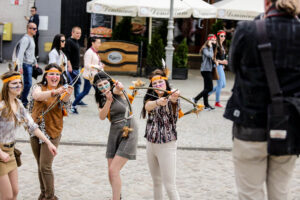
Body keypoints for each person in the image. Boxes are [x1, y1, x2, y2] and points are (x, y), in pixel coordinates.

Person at [224, 0, 300, 199]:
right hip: (289, 126)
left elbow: (232, 65)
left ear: (267, 3)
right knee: (281, 192)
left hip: (250, 124)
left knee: (250, 194)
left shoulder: (248, 30)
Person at [0, 71, 57, 200]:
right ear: (6, 86)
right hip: (0, 152)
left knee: (14, 192)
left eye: (20, 82)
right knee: (7, 195)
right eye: (14, 83)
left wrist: (48, 143)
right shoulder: (2, 106)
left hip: (10, 152)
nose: (19, 85)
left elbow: (32, 126)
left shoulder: (18, 104)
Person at [30, 64, 73, 200]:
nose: (54, 77)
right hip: (35, 130)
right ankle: (43, 194)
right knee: (40, 165)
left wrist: (66, 94)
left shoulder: (63, 90)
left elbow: (66, 104)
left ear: (60, 77)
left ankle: (50, 196)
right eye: (51, 74)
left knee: (45, 166)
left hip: (53, 131)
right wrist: (54, 92)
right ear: (46, 76)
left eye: (57, 75)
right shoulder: (37, 86)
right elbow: (37, 96)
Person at [93, 71, 138, 200]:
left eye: (105, 83)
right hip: (114, 130)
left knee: (114, 170)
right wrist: (108, 101)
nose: (103, 87)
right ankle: (118, 196)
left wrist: (119, 86)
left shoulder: (116, 91)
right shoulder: (100, 98)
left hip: (128, 128)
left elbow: (119, 89)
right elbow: (102, 116)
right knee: (110, 171)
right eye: (99, 85)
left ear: (110, 82)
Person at [142, 69, 181, 200]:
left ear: (165, 82)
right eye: (155, 83)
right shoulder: (150, 98)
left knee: (170, 185)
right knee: (156, 182)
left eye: (161, 82)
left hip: (167, 145)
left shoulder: (172, 97)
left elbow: (174, 107)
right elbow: (148, 106)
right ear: (152, 86)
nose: (158, 85)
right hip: (150, 143)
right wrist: (158, 102)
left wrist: (173, 99)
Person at [71, 37, 103, 114]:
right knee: (86, 91)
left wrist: (100, 65)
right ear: (93, 43)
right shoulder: (89, 52)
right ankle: (73, 105)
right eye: (98, 42)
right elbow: (87, 65)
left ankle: (102, 108)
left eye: (100, 42)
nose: (100, 44)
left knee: (99, 92)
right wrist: (99, 67)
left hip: (94, 76)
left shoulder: (95, 52)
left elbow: (96, 62)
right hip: (89, 76)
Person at [14, 22, 39, 107]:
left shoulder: (32, 38)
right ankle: (22, 100)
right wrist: (20, 66)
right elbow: (21, 53)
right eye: (34, 29)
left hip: (30, 64)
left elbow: (31, 52)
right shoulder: (25, 39)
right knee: (28, 83)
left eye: (36, 28)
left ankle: (22, 99)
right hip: (25, 64)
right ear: (29, 29)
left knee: (27, 83)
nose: (36, 30)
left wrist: (35, 62)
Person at [191, 34, 217, 110]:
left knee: (206, 88)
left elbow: (213, 58)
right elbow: (210, 56)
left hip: (208, 70)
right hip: (205, 70)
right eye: (212, 40)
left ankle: (206, 105)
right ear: (208, 40)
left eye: (214, 40)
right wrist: (211, 47)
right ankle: (195, 99)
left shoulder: (211, 48)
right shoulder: (205, 48)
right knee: (210, 88)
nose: (213, 42)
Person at [65, 26, 86, 105]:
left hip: (76, 68)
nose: (79, 35)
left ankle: (77, 100)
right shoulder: (69, 41)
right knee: (70, 85)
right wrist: (69, 65)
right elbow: (67, 55)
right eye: (77, 33)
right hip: (72, 68)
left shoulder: (76, 41)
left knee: (77, 84)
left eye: (80, 33)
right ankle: (66, 100)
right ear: (72, 33)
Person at [209, 30, 228, 108]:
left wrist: (223, 63)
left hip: (221, 66)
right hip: (217, 66)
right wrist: (221, 62)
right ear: (218, 36)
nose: (223, 37)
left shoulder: (222, 45)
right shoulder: (216, 45)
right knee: (220, 84)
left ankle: (207, 93)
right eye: (221, 36)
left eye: (224, 36)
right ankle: (217, 102)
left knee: (223, 84)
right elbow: (213, 58)